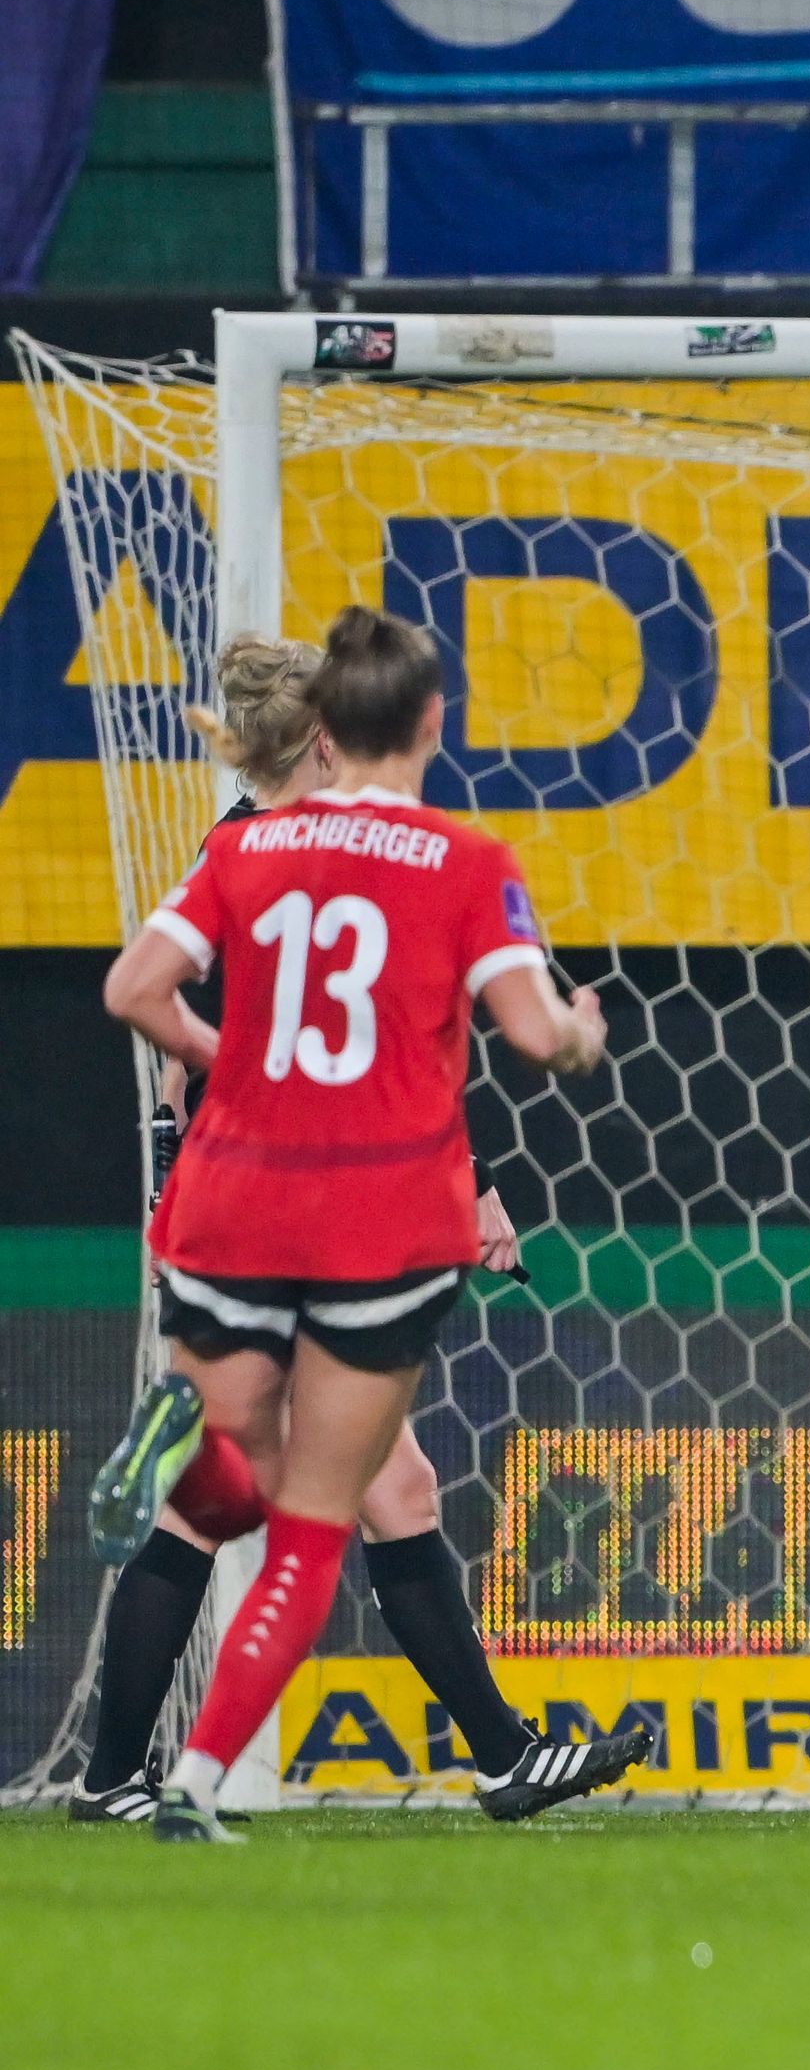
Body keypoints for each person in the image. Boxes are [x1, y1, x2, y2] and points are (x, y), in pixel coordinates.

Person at [79, 635, 653, 1826]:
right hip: (340, 1215)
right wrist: (560, 1049)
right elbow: (400, 1054)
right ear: (358, 731)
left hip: (218, 1205)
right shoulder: (403, 858)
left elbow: (158, 1003)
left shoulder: (236, 853)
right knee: (299, 1496)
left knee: (392, 1487)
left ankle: (493, 1753)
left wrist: (217, 1065)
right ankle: (131, 1776)